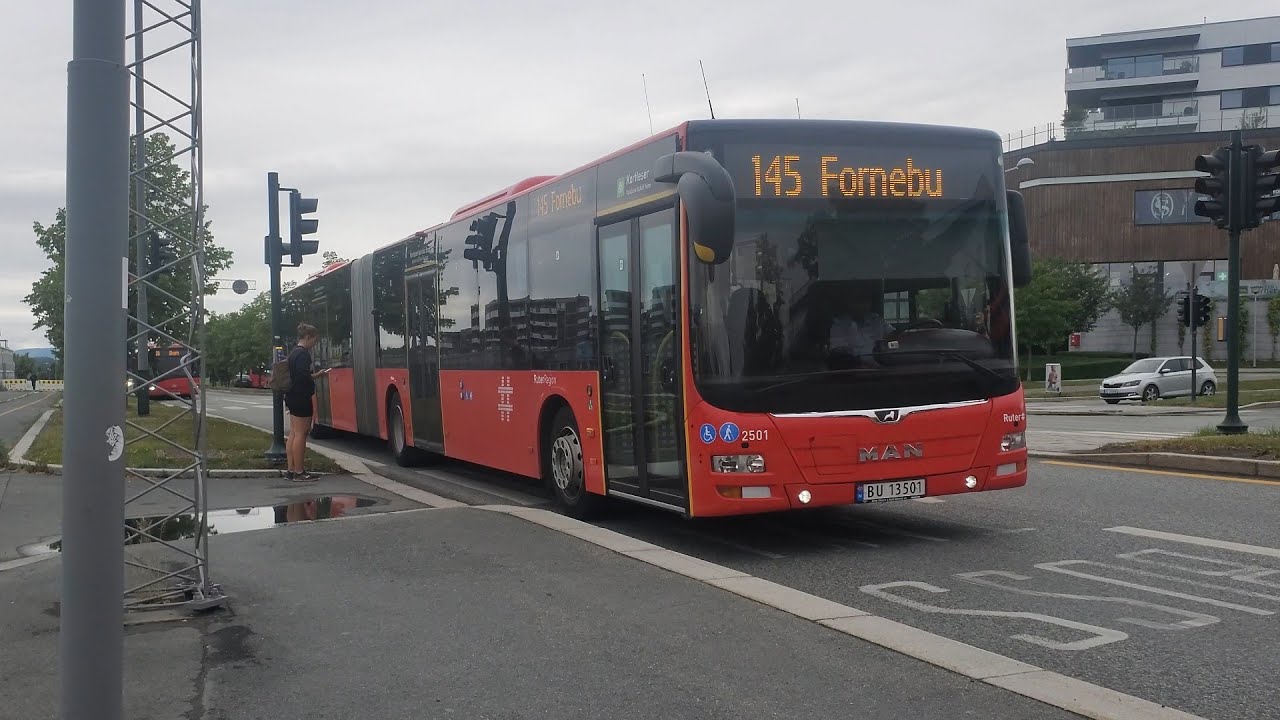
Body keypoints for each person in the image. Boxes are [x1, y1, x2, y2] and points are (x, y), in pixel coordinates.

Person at [284, 323, 329, 482]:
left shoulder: (293, 353)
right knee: (301, 435)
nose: (314, 345)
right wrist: (316, 376)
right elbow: (303, 377)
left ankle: (290, 470)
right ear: (308, 337)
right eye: (314, 341)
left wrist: (315, 375)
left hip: (291, 396)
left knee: (293, 434)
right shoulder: (303, 355)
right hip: (301, 397)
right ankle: (299, 472)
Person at [828, 295, 894, 362]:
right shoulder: (839, 324)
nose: (862, 305)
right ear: (849, 302)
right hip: (855, 370)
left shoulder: (877, 320)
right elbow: (839, 355)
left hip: (883, 367)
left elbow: (894, 336)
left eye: (866, 300)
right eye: (858, 300)